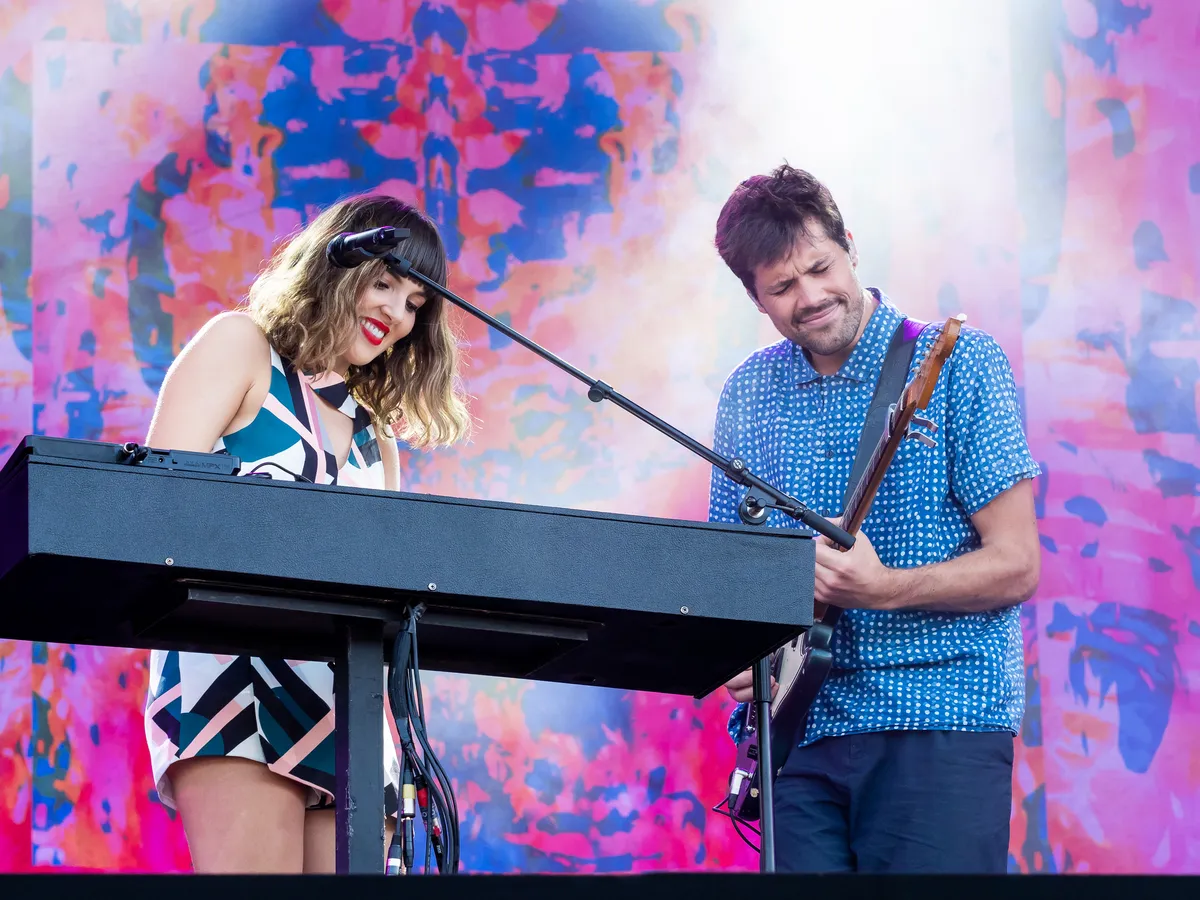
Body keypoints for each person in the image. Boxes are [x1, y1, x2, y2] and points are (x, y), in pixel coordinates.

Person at [708, 164, 1041, 874]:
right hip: (796, 736)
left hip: (940, 714)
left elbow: (1017, 565)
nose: (810, 297)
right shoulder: (748, 393)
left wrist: (884, 589)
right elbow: (729, 573)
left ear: (850, 246)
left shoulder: (958, 363)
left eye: (820, 268)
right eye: (782, 287)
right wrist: (735, 647)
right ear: (755, 299)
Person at [141, 194, 471, 873]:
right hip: (234, 682)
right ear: (336, 264)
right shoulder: (240, 347)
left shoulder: (377, 439)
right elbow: (151, 512)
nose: (397, 313)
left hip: (349, 701)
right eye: (385, 283)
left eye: (415, 303)